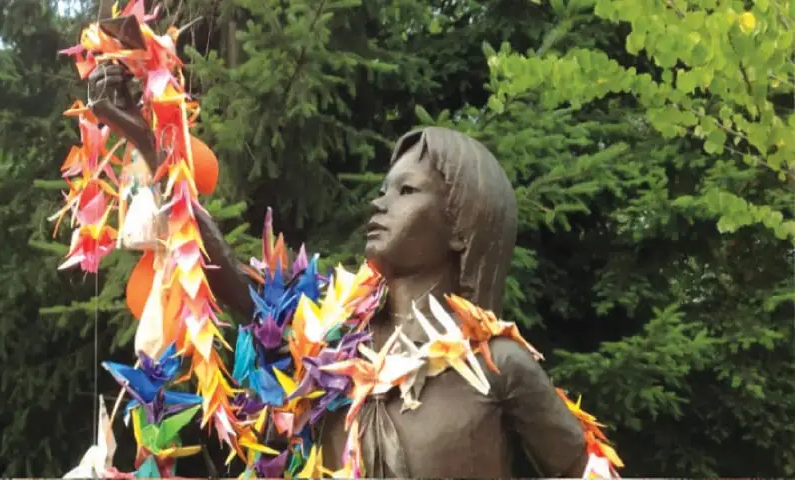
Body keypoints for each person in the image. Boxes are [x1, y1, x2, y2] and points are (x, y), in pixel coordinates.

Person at [89, 65, 591, 477]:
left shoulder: (497, 366)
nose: (379, 204)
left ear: (463, 226)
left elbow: (582, 470)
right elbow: (234, 288)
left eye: (407, 192)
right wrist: (145, 136)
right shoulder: (331, 353)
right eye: (384, 189)